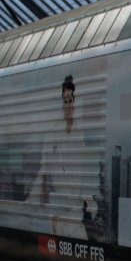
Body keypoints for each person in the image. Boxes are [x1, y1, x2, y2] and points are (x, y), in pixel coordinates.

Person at [31, 75, 91, 238]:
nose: (68, 105)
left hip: (76, 211)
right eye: (65, 102)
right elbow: (43, 168)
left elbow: (85, 170)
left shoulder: (80, 134)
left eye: (70, 101)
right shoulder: (52, 135)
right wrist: (42, 188)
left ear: (75, 102)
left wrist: (91, 204)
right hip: (60, 212)